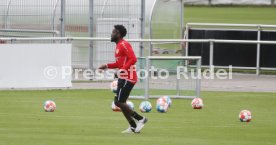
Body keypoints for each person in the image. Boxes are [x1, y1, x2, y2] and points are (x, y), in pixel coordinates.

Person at [98, 25, 147, 133]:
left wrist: (122, 70)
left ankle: (140, 119)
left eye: (113, 32)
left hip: (128, 78)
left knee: (119, 102)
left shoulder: (124, 44)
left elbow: (133, 59)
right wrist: (106, 65)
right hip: (123, 77)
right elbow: (119, 63)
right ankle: (133, 126)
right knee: (120, 102)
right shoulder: (119, 46)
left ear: (118, 34)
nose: (111, 34)